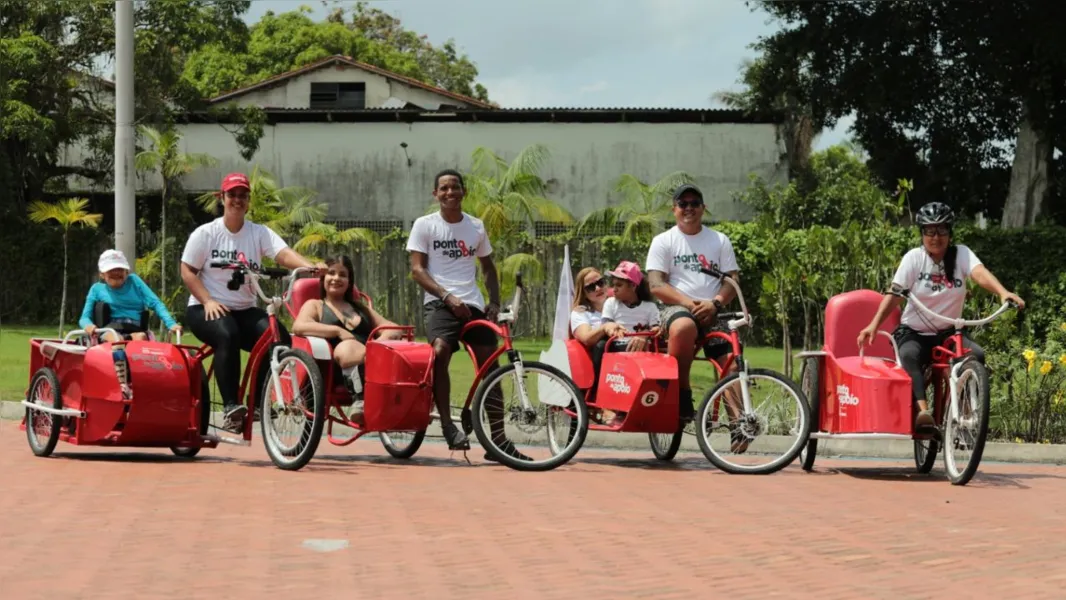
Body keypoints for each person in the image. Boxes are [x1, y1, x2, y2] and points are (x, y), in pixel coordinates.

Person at [858, 202, 1024, 428]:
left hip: (949, 333)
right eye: (930, 231)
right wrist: (874, 325)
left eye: (942, 230)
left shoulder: (961, 254)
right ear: (922, 233)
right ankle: (923, 413)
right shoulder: (914, 258)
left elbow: (979, 273)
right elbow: (895, 293)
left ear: (950, 232)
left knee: (976, 355)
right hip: (914, 332)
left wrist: (1003, 293)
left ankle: (964, 411)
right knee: (908, 357)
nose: (936, 237)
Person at [180, 172, 324, 432]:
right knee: (228, 333)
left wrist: (309, 266)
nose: (237, 200)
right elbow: (187, 270)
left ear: (248, 200)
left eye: (242, 195)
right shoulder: (206, 233)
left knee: (278, 337)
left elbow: (282, 254)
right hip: (204, 308)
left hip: (243, 309)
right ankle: (230, 407)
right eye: (232, 195)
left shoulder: (258, 233)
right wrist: (208, 300)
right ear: (221, 198)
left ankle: (257, 404)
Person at [407, 168, 525, 460]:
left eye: (455, 187)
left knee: (491, 366)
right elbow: (417, 270)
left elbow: (487, 268)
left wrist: (494, 302)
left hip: (472, 303)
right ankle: (448, 426)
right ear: (435, 194)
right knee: (440, 350)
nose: (450, 193)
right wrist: (446, 296)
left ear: (464, 192)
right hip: (439, 302)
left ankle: (497, 442)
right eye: (444, 188)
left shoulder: (475, 226)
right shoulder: (424, 225)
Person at [646, 183, 748, 452]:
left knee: (731, 361)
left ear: (703, 208)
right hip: (678, 308)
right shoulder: (664, 241)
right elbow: (656, 285)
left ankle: (739, 424)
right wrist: (691, 303)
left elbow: (732, 280)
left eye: (694, 203)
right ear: (674, 210)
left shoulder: (719, 240)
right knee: (683, 327)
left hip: (714, 309)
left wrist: (714, 303)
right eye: (683, 204)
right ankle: (683, 396)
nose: (688, 208)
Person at [291, 255, 404, 424]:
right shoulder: (315, 305)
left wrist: (379, 344)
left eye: (342, 275)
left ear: (349, 281)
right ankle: (360, 400)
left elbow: (392, 328)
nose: (336, 278)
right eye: (331, 273)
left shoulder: (360, 307)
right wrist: (337, 331)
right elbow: (299, 326)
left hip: (373, 365)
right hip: (332, 370)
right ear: (323, 278)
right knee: (348, 347)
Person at [79, 249, 182, 343]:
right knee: (116, 340)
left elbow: (155, 303)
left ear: (127, 272)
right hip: (110, 330)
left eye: (119, 269)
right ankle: (119, 362)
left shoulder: (134, 281)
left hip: (136, 330)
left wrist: (171, 324)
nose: (116, 273)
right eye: (111, 270)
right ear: (102, 274)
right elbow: (84, 318)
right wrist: (88, 325)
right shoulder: (97, 289)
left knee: (140, 338)